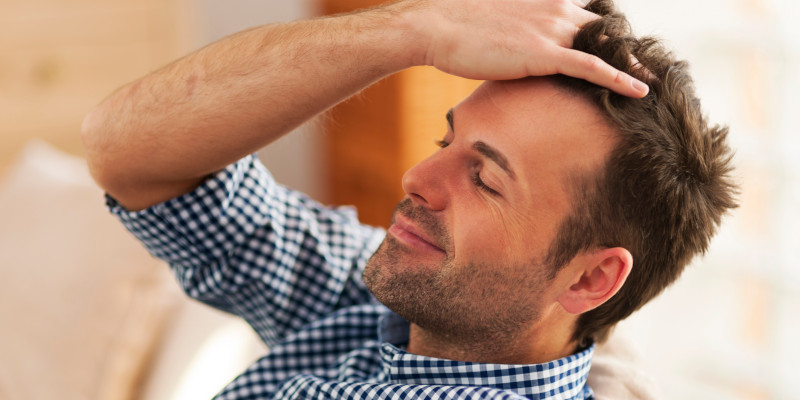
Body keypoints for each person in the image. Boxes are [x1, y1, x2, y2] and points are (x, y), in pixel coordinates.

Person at [81, 0, 737, 398]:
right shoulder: (390, 301)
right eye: (444, 139)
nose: (418, 179)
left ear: (593, 276)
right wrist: (416, 29)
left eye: (484, 179)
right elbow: (126, 153)